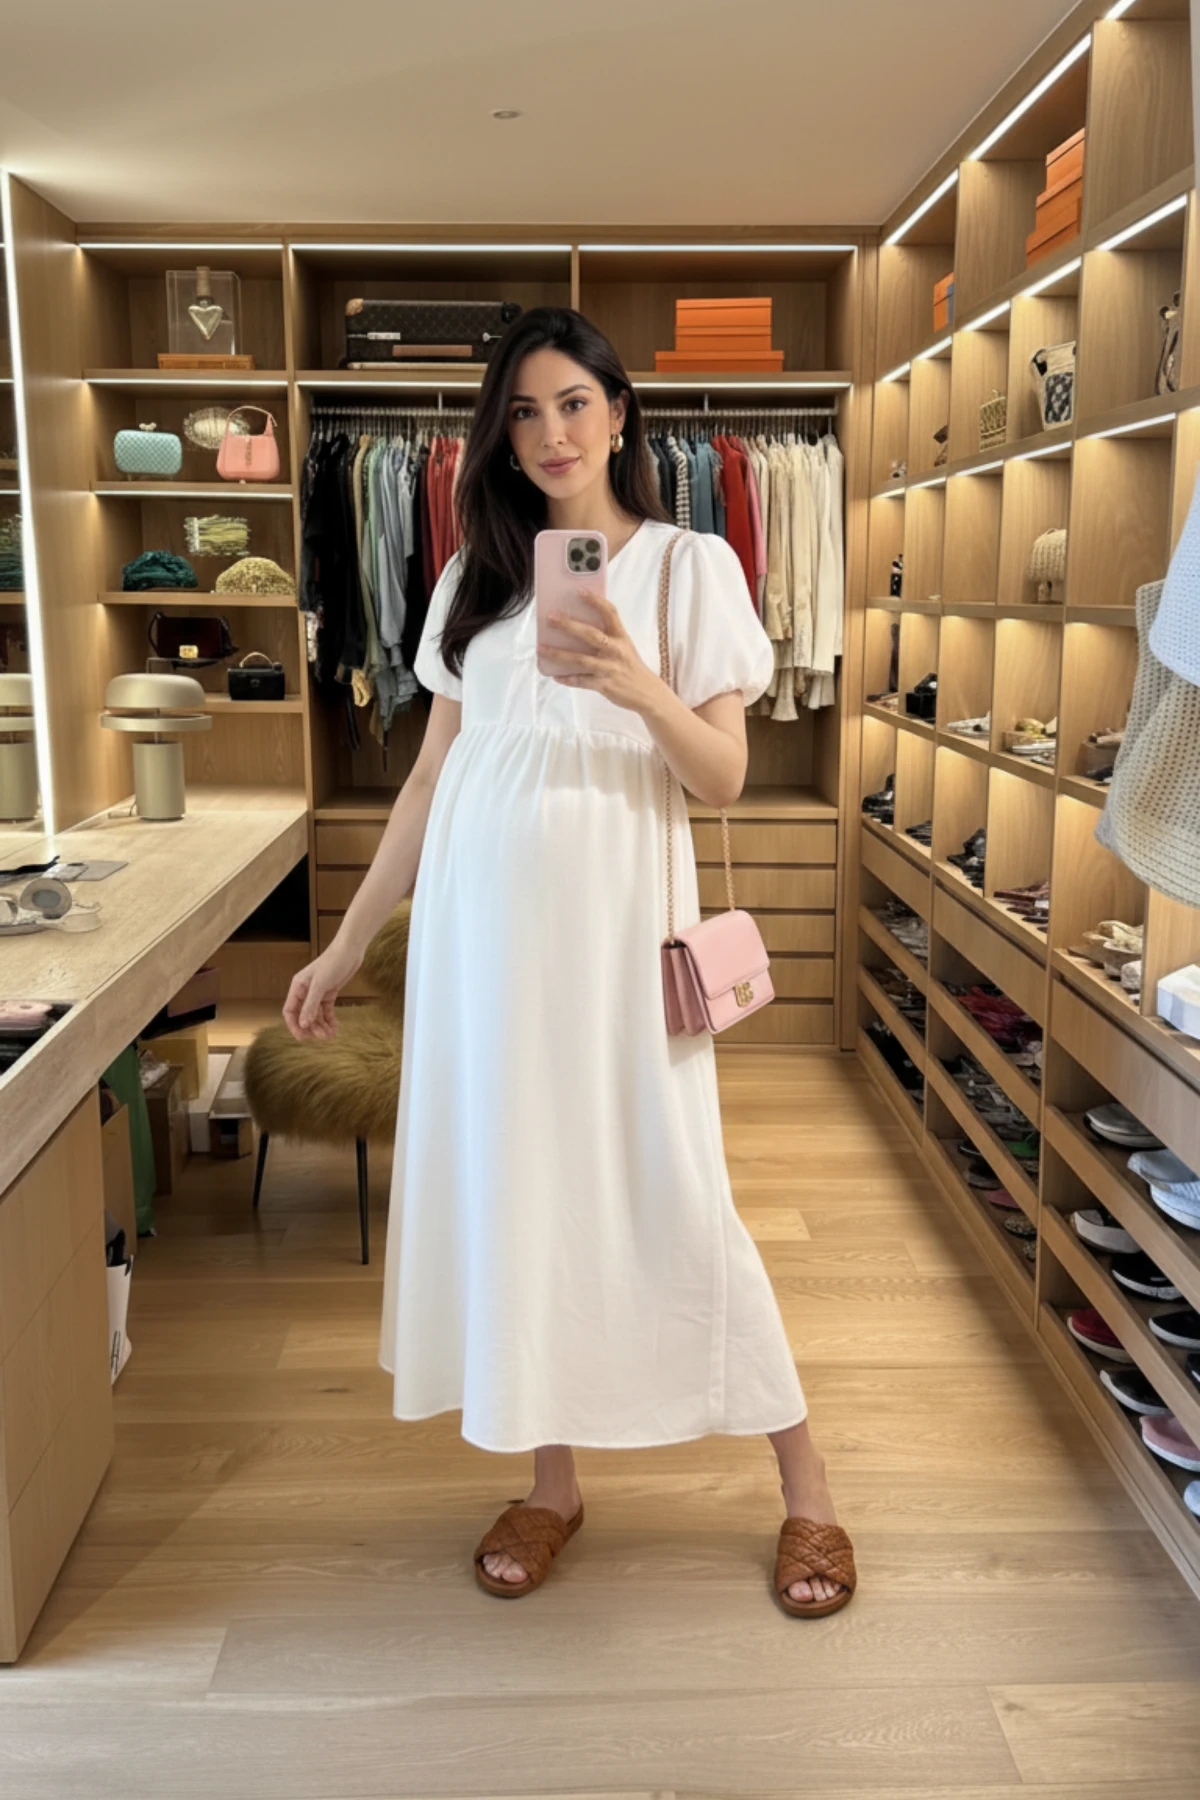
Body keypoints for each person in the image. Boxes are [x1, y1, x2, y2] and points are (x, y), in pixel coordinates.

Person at [283, 307, 856, 1619]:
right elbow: (429, 777)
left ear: (619, 414)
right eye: (525, 412)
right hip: (483, 949)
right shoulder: (468, 583)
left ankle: (807, 1484)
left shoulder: (692, 566)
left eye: (574, 404)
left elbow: (722, 779)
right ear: (500, 434)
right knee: (519, 1193)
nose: (550, 434)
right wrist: (350, 941)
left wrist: (635, 681)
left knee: (674, 1187)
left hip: (614, 940)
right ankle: (553, 1484)